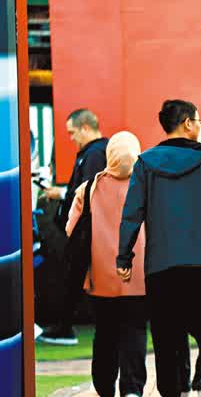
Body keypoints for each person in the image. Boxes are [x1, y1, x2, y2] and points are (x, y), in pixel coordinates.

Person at [117, 99, 201, 397]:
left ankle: (171, 390)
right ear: (187, 123)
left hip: (161, 268)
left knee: (167, 340)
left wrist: (124, 256)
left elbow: (131, 213)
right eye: (198, 120)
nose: (200, 125)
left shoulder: (145, 163)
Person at [65, 132, 147, 397]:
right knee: (135, 331)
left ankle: (104, 387)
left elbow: (70, 230)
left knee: (105, 333)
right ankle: (133, 389)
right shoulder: (147, 185)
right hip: (138, 277)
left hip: (101, 279)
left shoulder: (89, 188)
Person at [39, 109, 110, 345]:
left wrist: (62, 195)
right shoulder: (96, 153)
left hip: (87, 231)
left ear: (86, 128)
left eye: (72, 133)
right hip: (89, 231)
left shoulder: (93, 155)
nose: (71, 138)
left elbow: (87, 192)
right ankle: (64, 325)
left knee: (75, 278)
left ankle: (64, 327)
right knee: (75, 278)